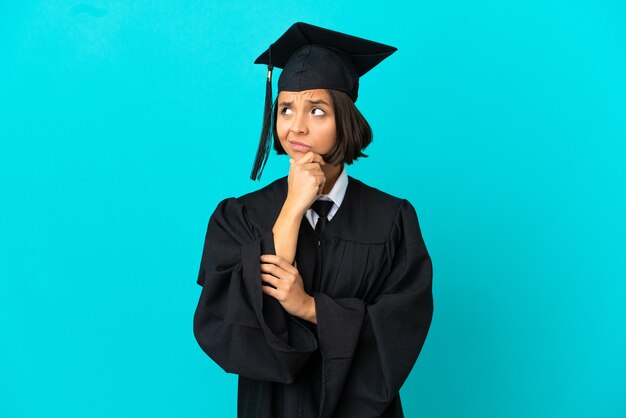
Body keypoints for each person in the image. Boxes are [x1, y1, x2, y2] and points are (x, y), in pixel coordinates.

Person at [193, 22, 434, 418]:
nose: (296, 126)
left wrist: (309, 308)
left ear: (345, 119)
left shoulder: (392, 219)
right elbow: (228, 324)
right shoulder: (241, 216)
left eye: (317, 110)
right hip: (270, 407)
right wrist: (291, 209)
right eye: (285, 108)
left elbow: (401, 326)